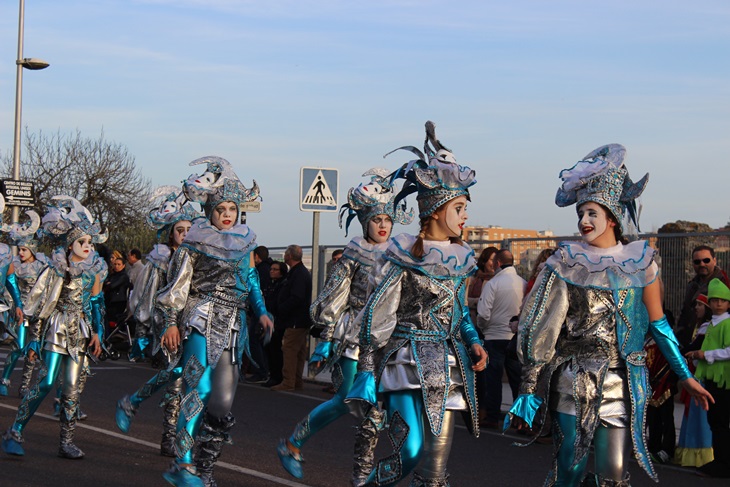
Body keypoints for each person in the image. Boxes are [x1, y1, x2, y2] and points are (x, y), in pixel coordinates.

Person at [506, 144, 713, 486]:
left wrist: (684, 376)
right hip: (573, 379)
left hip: (622, 383)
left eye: (591, 213)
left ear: (612, 217)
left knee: (614, 473)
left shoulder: (641, 262)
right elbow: (542, 325)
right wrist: (529, 387)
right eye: (581, 214)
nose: (583, 221)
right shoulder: (566, 263)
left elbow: (659, 326)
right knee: (570, 472)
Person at [347, 122, 488, 486]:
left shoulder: (462, 258)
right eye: (459, 207)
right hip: (403, 364)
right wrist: (365, 369)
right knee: (410, 452)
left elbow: (461, 313)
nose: (465, 216)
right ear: (438, 211)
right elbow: (379, 313)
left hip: (448, 365)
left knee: (436, 467)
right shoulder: (403, 254)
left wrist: (473, 341)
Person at [276, 168, 414, 484]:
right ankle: (294, 444)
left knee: (380, 411)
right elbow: (333, 295)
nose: (382, 226)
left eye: (387, 220)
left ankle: (363, 477)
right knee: (350, 404)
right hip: (352, 336)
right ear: (366, 222)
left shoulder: (400, 255)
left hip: (388, 340)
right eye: (377, 220)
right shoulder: (354, 251)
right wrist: (325, 338)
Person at [155, 157, 273, 487]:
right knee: (198, 389)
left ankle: (205, 468)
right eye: (221, 208)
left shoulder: (245, 240)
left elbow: (250, 277)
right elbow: (177, 284)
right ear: (211, 210)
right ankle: (183, 463)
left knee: (222, 404)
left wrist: (261, 311)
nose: (227, 214)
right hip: (199, 320)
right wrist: (170, 322)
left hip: (234, 325)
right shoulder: (194, 240)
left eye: (232, 209)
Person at [1, 195, 107, 459]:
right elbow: (40, 306)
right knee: (47, 382)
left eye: (89, 243)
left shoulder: (92, 272)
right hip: (56, 328)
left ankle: (66, 442)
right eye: (82, 242)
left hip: (80, 331)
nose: (87, 247)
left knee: (72, 387)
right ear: (70, 244)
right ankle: (15, 431)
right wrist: (35, 339)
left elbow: (96, 305)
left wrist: (98, 332)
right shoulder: (56, 269)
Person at [115, 186, 199, 457]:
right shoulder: (161, 260)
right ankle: (169, 436)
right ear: (171, 233)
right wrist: (143, 331)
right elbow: (145, 298)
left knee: (194, 382)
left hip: (195, 325)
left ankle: (181, 436)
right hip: (168, 326)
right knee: (175, 381)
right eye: (180, 230)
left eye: (189, 229)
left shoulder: (198, 257)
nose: (185, 234)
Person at [476, 248, 525, 428]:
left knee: (493, 380)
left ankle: (493, 417)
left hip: (494, 336)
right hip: (515, 337)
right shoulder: (523, 283)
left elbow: (483, 313)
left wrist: (483, 328)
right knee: (517, 381)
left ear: (497, 263)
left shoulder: (493, 283)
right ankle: (519, 419)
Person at [687, 278, 730, 478]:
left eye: (723, 300)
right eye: (714, 300)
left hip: (725, 381)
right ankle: (720, 459)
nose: (718, 303)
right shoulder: (710, 325)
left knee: (720, 421)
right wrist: (697, 357)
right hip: (713, 380)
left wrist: (706, 355)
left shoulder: (727, 323)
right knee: (715, 420)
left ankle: (723, 463)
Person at [0, 209, 43, 398]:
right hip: (20, 313)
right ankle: (5, 379)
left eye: (24, 249)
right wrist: (15, 306)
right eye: (20, 249)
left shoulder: (43, 265)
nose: (21, 253)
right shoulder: (14, 264)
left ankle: (24, 385)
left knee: (33, 351)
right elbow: (11, 283)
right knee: (18, 346)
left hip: (37, 312)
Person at [674, 294, 714, 467]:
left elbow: (693, 348)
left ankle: (702, 456)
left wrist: (675, 351)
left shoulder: (707, 328)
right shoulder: (699, 327)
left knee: (701, 416)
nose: (696, 308)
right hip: (695, 376)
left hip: (702, 377)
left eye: (700, 305)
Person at [272, 245, 312, 392]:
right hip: (300, 318)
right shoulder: (299, 272)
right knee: (299, 350)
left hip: (295, 319)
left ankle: (288, 381)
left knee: (289, 349)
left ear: (289, 256)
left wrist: (282, 308)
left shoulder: (298, 274)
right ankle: (296, 380)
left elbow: (297, 297)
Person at [676, 245, 730, 348]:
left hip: (713, 344)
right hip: (689, 342)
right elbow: (685, 314)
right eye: (697, 262)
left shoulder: (724, 285)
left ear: (714, 261)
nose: (702, 264)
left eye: (706, 260)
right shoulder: (692, 285)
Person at [245, 246, 274, 384]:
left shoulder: (260, 271)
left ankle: (261, 371)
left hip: (261, 312)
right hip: (262, 312)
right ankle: (262, 370)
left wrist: (261, 312)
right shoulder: (266, 269)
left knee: (254, 341)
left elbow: (255, 290)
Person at [262, 260, 288, 387]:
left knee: (275, 349)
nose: (271, 271)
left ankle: (276, 376)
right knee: (268, 348)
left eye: (275, 269)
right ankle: (271, 374)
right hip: (268, 319)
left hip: (277, 321)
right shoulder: (270, 285)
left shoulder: (282, 285)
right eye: (271, 269)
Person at [104, 250, 132, 333]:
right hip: (110, 301)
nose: (116, 266)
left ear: (123, 266)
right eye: (115, 264)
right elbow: (106, 283)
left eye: (119, 264)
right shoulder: (113, 275)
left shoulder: (123, 276)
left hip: (118, 303)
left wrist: (109, 284)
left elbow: (112, 285)